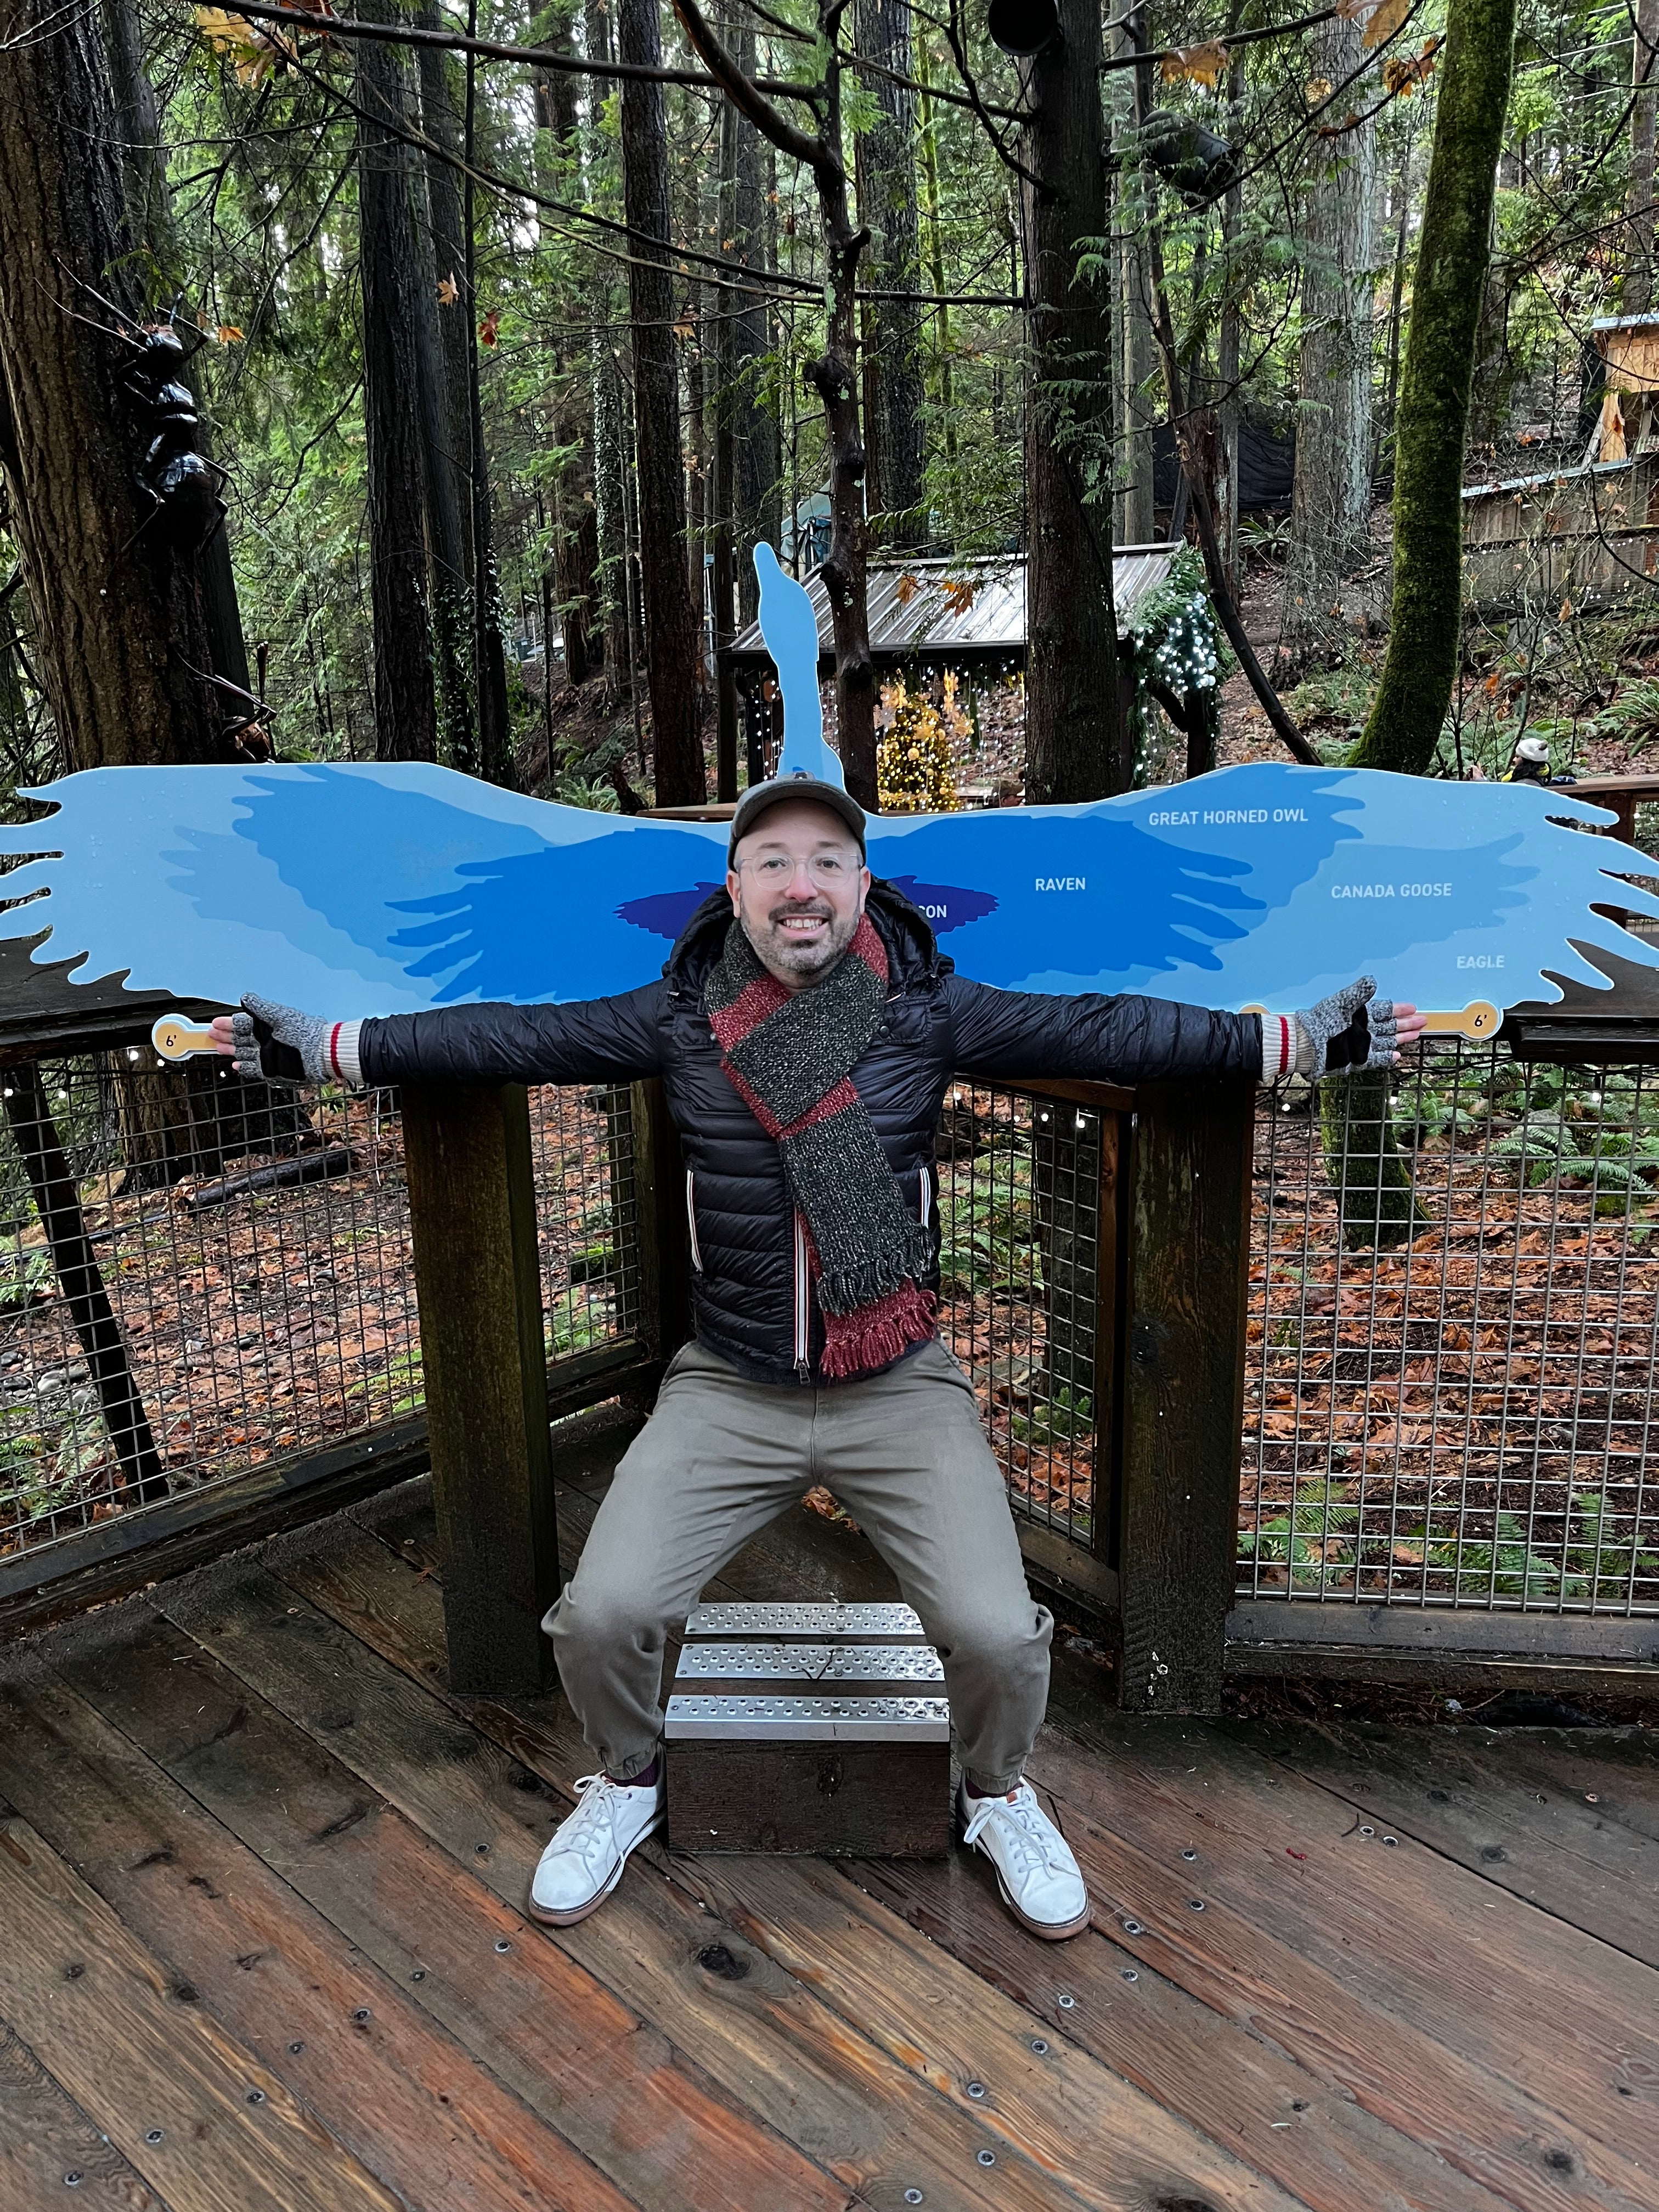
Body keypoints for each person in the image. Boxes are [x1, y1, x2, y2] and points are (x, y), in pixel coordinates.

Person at [215, 770, 1424, 1939]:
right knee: (601, 1617)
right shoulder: (679, 1019)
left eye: (829, 862)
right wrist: (326, 1049)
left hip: (897, 1382)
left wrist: (1300, 1044)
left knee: (998, 1635)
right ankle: (630, 1777)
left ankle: (998, 1792)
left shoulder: (928, 1010)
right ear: (736, 890)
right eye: (776, 863)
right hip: (731, 1383)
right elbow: (506, 1037)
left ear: (861, 887)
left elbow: (1113, 1027)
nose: (804, 885)